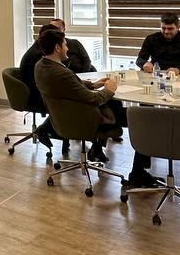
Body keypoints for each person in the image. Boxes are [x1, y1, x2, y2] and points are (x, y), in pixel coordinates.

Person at [33, 30, 156, 185]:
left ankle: (98, 149)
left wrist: (94, 84)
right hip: (85, 120)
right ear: (57, 48)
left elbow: (70, 86)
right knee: (143, 118)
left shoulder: (41, 66)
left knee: (114, 104)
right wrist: (109, 89)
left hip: (64, 119)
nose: (67, 48)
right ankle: (138, 173)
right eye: (65, 45)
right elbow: (94, 99)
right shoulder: (61, 72)